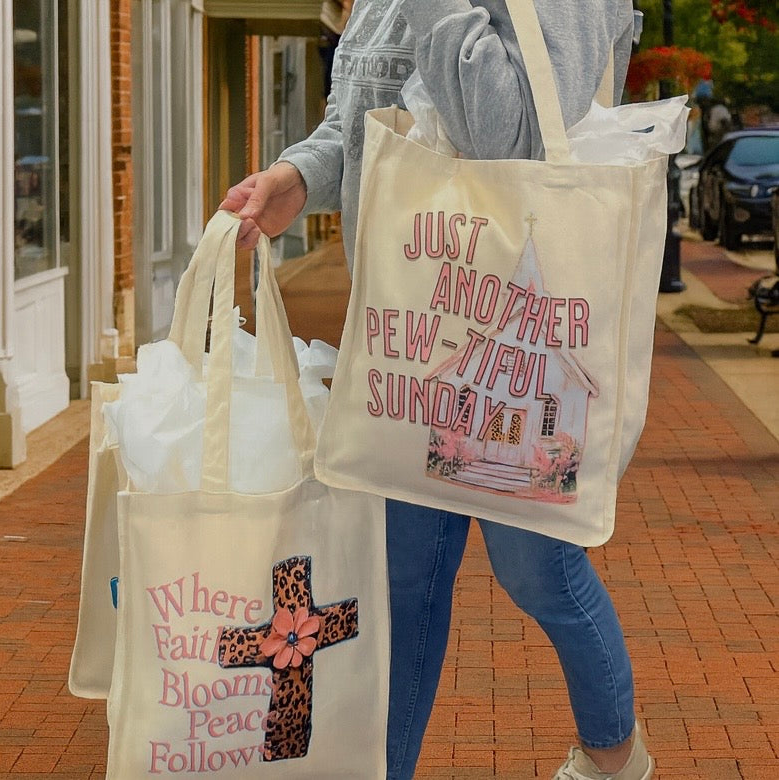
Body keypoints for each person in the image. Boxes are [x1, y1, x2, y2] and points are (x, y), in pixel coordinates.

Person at [219, 2, 654, 778]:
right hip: (406, 350)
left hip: (521, 345)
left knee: (539, 573)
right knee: (402, 589)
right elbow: (358, 126)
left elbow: (514, 142)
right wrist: (296, 176)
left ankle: (615, 757)